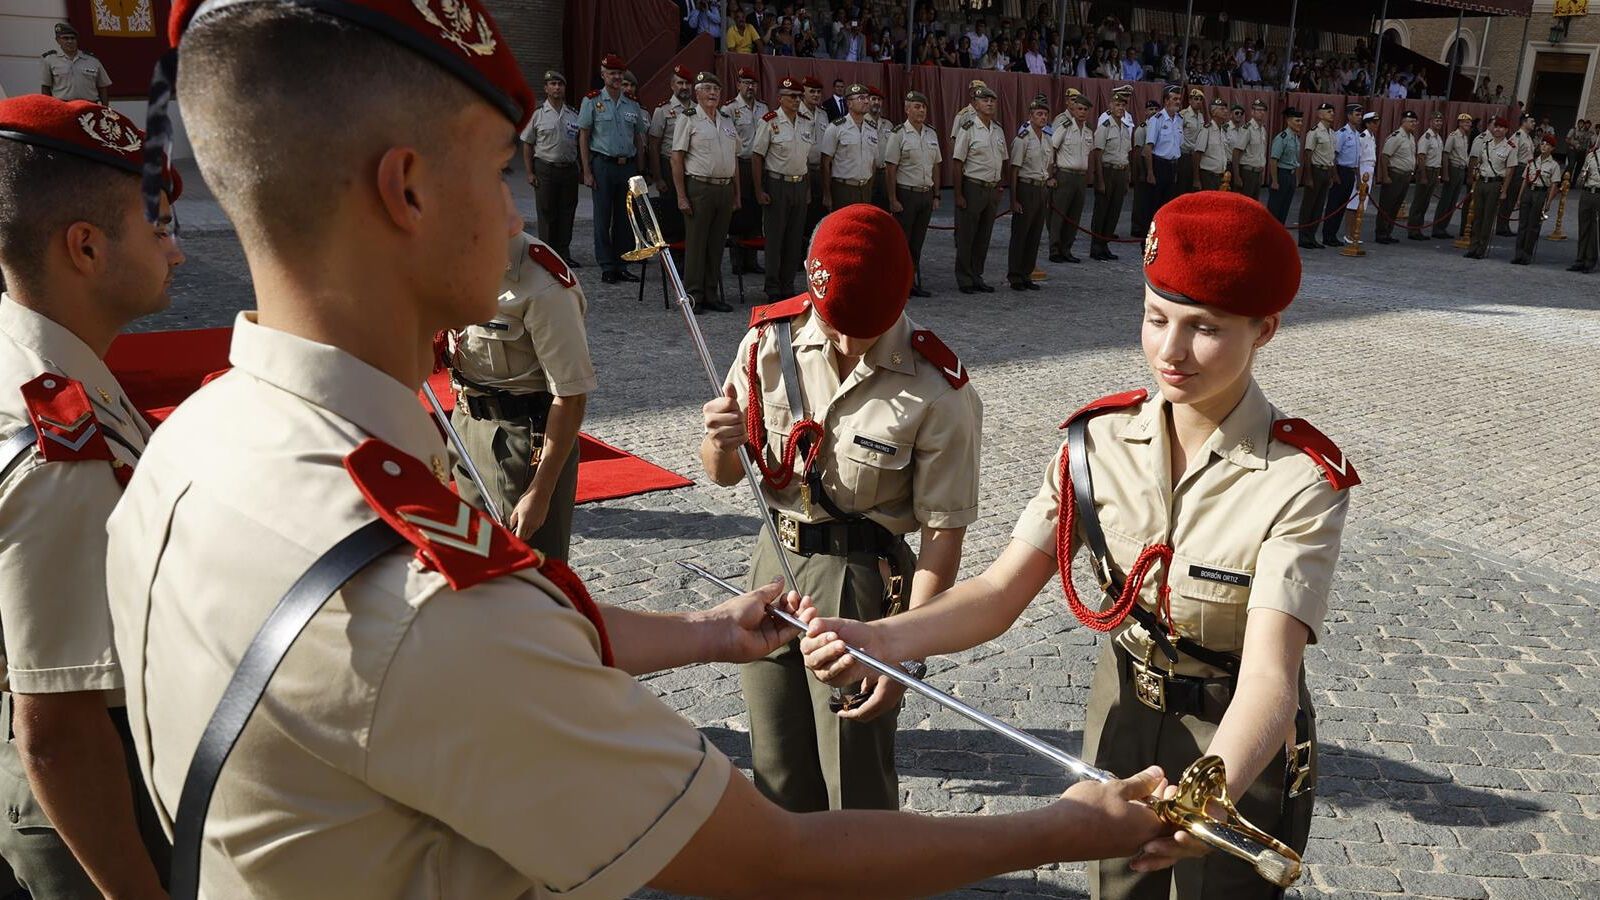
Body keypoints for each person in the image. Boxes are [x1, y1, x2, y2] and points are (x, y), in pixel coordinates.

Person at [113, 0, 1181, 896]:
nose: (517, 203)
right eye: (499, 171)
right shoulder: (430, 610)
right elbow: (774, 855)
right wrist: (1061, 827)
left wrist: (710, 630)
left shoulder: (188, 443)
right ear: (409, 189)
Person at [801, 190, 1354, 900]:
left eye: (1206, 329)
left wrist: (1212, 789)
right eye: (1156, 318)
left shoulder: (1300, 480)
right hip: (1121, 706)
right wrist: (883, 637)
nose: (1171, 351)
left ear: (1265, 330)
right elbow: (1000, 593)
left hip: (1236, 731)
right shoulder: (1094, 443)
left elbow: (1271, 676)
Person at [702, 202, 987, 814]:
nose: (845, 341)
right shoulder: (768, 342)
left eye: (865, 328)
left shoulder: (938, 388)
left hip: (864, 583)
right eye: (833, 323)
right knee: (775, 768)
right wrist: (719, 439)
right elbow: (727, 475)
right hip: (772, 567)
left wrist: (904, 648)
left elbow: (942, 536)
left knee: (853, 777)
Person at [0, 95, 181, 900]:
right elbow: (62, 735)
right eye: (160, 229)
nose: (176, 255)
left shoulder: (31, 362)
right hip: (90, 814)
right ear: (85, 247)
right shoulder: (62, 449)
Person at [446, 228, 594, 558]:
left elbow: (571, 397)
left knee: (531, 572)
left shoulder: (544, 285)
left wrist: (541, 490)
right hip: (463, 422)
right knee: (475, 561)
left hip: (520, 440)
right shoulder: (455, 254)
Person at [673, 71, 740, 313]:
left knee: (716, 244)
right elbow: (677, 157)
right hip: (699, 187)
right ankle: (693, 296)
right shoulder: (688, 118)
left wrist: (736, 194)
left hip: (724, 188)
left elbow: (733, 158)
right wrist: (681, 195)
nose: (713, 93)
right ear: (697, 93)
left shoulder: (726, 120)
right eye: (707, 89)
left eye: (716, 90)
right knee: (697, 243)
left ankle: (712, 294)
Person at [578, 53, 646, 285]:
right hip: (603, 165)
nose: (617, 77)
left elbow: (638, 137)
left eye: (620, 73)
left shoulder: (631, 103)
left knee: (625, 218)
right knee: (602, 217)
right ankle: (607, 266)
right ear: (603, 75)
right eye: (612, 73)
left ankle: (621, 264)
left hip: (626, 166)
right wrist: (586, 171)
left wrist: (640, 169)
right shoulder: (592, 101)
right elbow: (584, 135)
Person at [751, 76, 813, 302]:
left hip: (799, 183)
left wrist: (806, 187)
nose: (797, 100)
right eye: (792, 97)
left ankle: (788, 285)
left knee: (794, 238)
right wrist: (759, 190)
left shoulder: (807, 121)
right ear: (780, 98)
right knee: (775, 238)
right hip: (777, 183)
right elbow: (757, 156)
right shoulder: (769, 121)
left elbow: (804, 157)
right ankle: (773, 287)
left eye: (799, 96)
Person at [521, 70, 581, 267]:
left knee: (567, 212)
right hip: (545, 168)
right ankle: (547, 255)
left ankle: (564, 253)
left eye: (560, 84)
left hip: (569, 169)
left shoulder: (573, 114)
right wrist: (530, 172)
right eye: (553, 84)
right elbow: (528, 144)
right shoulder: (538, 115)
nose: (556, 87)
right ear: (546, 88)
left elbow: (580, 143)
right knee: (546, 213)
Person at [884, 90, 941, 297]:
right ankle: (897, 284)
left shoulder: (931, 133)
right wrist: (892, 198)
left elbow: (936, 165)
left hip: (925, 193)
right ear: (907, 109)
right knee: (902, 243)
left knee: (917, 243)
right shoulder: (898, 134)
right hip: (906, 194)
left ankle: (912, 282)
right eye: (917, 106)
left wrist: (936, 195)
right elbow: (891, 168)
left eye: (924, 107)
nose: (921, 110)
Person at [952, 83, 1007, 295]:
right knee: (967, 235)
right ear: (975, 104)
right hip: (973, 186)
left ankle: (977, 274)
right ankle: (964, 278)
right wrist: (958, 194)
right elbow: (958, 162)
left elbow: (1003, 160)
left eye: (992, 100)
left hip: (991, 188)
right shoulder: (967, 128)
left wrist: (999, 186)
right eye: (985, 100)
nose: (990, 104)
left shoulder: (998, 129)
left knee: (984, 235)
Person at [725, 68, 768, 276]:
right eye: (746, 83)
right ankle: (737, 260)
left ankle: (752, 259)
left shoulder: (763, 108)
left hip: (759, 164)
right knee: (739, 208)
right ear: (738, 84)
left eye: (754, 83)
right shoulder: (730, 109)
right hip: (740, 163)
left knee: (756, 209)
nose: (750, 87)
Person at [1008, 97, 1053, 291]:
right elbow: (1014, 171)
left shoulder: (1047, 139)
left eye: (1045, 115)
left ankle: (1027, 273)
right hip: (1026, 187)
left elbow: (1048, 165)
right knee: (1021, 234)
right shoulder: (1023, 139)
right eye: (1039, 114)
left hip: (1041, 187)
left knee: (1035, 234)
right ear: (1030, 116)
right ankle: (1015, 275)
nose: (1042, 118)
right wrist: (1014, 199)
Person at [647, 65, 697, 242]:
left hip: (693, 168)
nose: (684, 87)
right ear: (672, 86)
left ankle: (689, 253)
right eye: (680, 83)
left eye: (687, 83)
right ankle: (673, 260)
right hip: (669, 168)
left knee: (691, 211)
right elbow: (653, 145)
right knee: (672, 214)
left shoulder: (699, 110)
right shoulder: (662, 110)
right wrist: (658, 177)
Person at [1089, 85, 1134, 261]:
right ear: (1110, 106)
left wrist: (1128, 176)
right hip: (1107, 171)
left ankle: (1105, 244)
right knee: (1102, 210)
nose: (1120, 108)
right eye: (1117, 105)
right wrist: (1099, 179)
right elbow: (1097, 154)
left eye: (1123, 105)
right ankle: (1096, 246)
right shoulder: (1105, 126)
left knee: (1114, 210)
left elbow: (1127, 154)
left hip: (1121, 171)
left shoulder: (1124, 127)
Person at [1049, 93, 1094, 264]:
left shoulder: (1089, 130)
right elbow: (1052, 147)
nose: (1082, 112)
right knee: (1059, 214)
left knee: (1074, 215)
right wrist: (1051, 174)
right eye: (1079, 109)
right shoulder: (1065, 126)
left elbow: (1089, 153)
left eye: (1085, 110)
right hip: (1065, 174)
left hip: (1080, 177)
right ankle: (1054, 249)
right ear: (1073, 110)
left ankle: (1067, 249)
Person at [819, 84, 878, 212]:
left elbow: (873, 162)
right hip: (843, 189)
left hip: (865, 188)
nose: (866, 101)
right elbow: (825, 162)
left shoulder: (872, 129)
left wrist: (869, 187)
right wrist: (827, 194)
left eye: (867, 98)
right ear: (849, 104)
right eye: (861, 98)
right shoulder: (836, 127)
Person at [1464, 117, 1515, 260]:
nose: (1497, 129)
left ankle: (1481, 248)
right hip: (1481, 182)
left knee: (1487, 218)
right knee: (1477, 216)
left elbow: (1510, 171)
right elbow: (1478, 163)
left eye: (1501, 127)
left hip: (1495, 183)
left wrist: (1504, 190)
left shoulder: (1509, 147)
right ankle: (1472, 247)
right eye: (1496, 126)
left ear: (1506, 130)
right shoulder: (1485, 144)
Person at [1510, 134, 1561, 266]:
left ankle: (1527, 254)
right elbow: (1525, 180)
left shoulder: (1554, 165)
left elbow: (1554, 185)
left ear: (1552, 149)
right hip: (1528, 191)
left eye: (1548, 145)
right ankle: (1518, 253)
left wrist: (1548, 202)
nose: (1544, 146)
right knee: (1522, 224)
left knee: (1533, 225)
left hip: (1540, 193)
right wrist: (1519, 197)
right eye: (1543, 144)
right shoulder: (1531, 162)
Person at [1373, 111, 1417, 245]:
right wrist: (1385, 175)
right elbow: (1385, 156)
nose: (1414, 124)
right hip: (1395, 173)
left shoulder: (1411, 137)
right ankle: (1381, 233)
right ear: (1403, 122)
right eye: (1411, 121)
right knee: (1387, 204)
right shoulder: (1396, 136)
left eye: (1415, 121)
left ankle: (1388, 232)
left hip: (1405, 175)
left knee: (1396, 205)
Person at [1321, 103, 1362, 247]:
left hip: (1350, 172)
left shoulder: (1357, 134)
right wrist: (1335, 175)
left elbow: (1357, 159)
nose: (1359, 117)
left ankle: (1334, 235)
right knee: (1334, 204)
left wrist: (1358, 178)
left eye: (1360, 115)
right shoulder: (1342, 133)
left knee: (1342, 206)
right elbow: (1334, 155)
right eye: (1356, 114)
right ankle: (1328, 234)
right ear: (1349, 116)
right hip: (1341, 171)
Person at [38, 23, 110, 104]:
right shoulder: (50, 60)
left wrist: (105, 109)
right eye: (65, 38)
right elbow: (45, 87)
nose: (70, 41)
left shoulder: (92, 61)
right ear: (58, 40)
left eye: (73, 38)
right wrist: (49, 108)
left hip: (89, 106)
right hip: (63, 106)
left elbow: (103, 87)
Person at [1406, 112, 1445, 241]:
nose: (1438, 123)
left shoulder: (1438, 138)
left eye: (1440, 121)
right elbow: (1421, 157)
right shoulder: (1426, 137)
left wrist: (1438, 176)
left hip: (1434, 171)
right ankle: (1413, 229)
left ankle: (1419, 227)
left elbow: (1438, 159)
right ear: (1430, 122)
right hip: (1426, 170)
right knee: (1419, 201)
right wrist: (1423, 175)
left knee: (1426, 202)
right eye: (1436, 121)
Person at [1145, 85, 1185, 213]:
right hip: (1159, 165)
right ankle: (1151, 232)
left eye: (1179, 99)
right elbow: (1148, 147)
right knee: (1155, 203)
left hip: (1173, 166)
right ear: (1166, 101)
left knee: (1168, 203)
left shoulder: (1179, 120)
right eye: (1174, 99)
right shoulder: (1157, 119)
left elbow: (1177, 145)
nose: (1178, 102)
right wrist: (1150, 172)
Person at [1436, 113, 1473, 239]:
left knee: (1453, 201)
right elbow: (1446, 154)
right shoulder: (1453, 136)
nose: (1468, 124)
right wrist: (1445, 173)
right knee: (1446, 199)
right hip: (1453, 168)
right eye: (1466, 122)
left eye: (1469, 122)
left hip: (1461, 169)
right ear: (1460, 123)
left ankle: (1443, 227)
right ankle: (1438, 227)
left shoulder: (1464, 137)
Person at [801, 76, 829, 236]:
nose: (816, 95)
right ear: (803, 93)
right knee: (803, 218)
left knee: (818, 216)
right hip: (803, 170)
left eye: (819, 92)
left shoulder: (823, 114)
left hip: (819, 171)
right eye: (812, 91)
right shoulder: (797, 112)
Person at [1498, 116, 1535, 236]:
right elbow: (1512, 154)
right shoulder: (1517, 136)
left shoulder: (1528, 137)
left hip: (1526, 168)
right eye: (1531, 121)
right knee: (1510, 197)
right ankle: (1501, 226)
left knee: (1514, 198)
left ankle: (1505, 224)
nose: (1534, 123)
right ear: (1524, 123)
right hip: (1518, 167)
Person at [1129, 98, 1160, 239]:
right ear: (1146, 112)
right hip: (1142, 164)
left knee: (1152, 197)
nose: (1153, 112)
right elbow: (1137, 152)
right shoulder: (1142, 128)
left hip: (1155, 163)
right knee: (1140, 198)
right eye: (1150, 109)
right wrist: (1140, 172)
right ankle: (1137, 226)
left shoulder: (1160, 126)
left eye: (1155, 109)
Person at [1569, 135, 1599, 273]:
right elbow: (1582, 174)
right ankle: (1579, 259)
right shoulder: (1591, 156)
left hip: (1599, 193)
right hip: (1586, 193)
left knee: (1594, 228)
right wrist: (1582, 176)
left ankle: (1590, 260)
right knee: (1583, 226)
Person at [1267, 108, 1302, 225]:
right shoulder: (1282, 138)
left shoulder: (1296, 138)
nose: (1300, 124)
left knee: (1285, 207)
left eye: (1301, 121)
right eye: (1297, 121)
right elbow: (1273, 160)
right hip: (1281, 174)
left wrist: (1295, 178)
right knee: (1275, 207)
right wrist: (1275, 181)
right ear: (1289, 121)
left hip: (1290, 175)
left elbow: (1295, 161)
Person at [1231, 100, 1267, 201]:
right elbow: (1236, 152)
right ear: (1252, 112)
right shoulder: (1247, 129)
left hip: (1258, 172)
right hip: (1248, 172)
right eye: (1258, 110)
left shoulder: (1263, 129)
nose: (1261, 112)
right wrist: (1237, 176)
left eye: (1263, 110)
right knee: (1245, 202)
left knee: (1255, 203)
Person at [1192, 98, 1230, 192]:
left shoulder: (1223, 130)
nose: (1225, 111)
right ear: (1213, 112)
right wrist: (1196, 179)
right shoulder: (1207, 129)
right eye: (1222, 109)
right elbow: (1197, 154)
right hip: (1208, 176)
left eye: (1226, 109)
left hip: (1221, 176)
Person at [1177, 87, 1205, 194]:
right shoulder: (1183, 115)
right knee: (1183, 186)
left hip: (1196, 155)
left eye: (1200, 99)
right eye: (1195, 99)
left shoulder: (1201, 116)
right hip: (1185, 155)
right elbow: (1178, 134)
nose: (1198, 102)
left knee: (1193, 187)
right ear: (1189, 101)